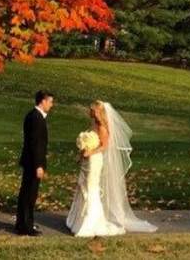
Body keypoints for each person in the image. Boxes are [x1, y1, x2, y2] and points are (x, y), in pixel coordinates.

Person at [66, 100, 156, 236]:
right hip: (87, 160)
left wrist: (90, 152)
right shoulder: (93, 124)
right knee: (82, 186)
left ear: (98, 112)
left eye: (92, 110)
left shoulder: (103, 127)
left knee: (91, 188)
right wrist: (81, 153)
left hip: (95, 160)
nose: (90, 112)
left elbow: (104, 146)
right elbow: (88, 143)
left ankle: (91, 222)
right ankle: (78, 220)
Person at [15, 90, 53, 236]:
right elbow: (36, 144)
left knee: (26, 193)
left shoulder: (32, 115)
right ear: (42, 101)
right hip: (33, 163)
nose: (51, 105)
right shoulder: (36, 118)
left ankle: (22, 223)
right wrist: (39, 165)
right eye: (50, 101)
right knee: (29, 195)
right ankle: (26, 226)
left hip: (29, 161)